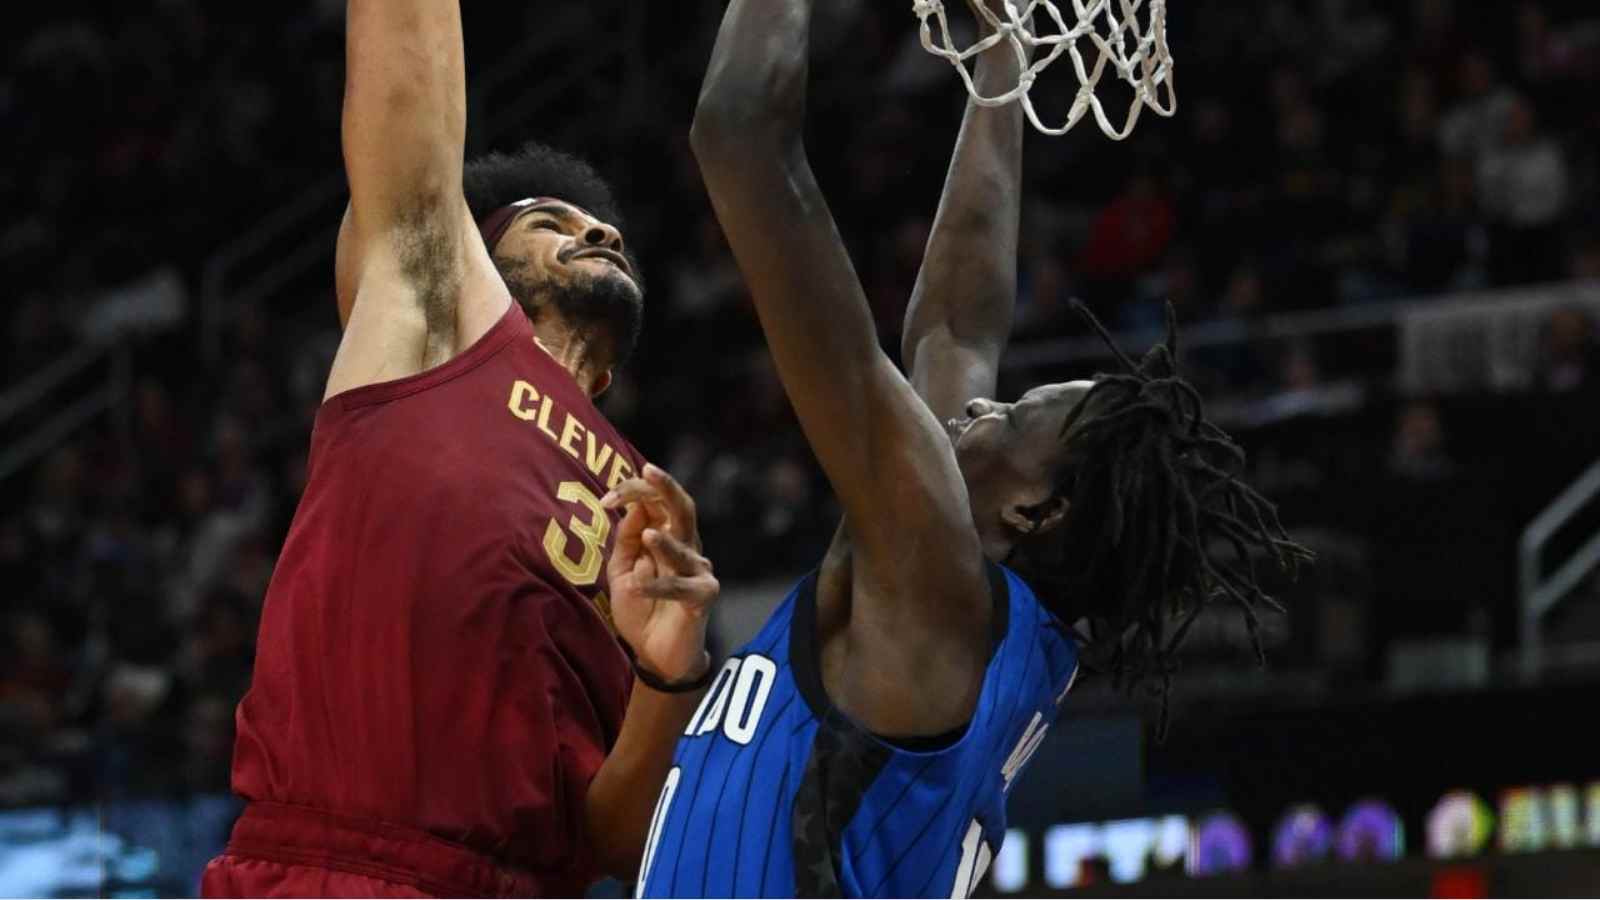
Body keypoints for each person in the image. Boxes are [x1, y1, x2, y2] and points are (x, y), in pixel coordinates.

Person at [635, 0, 1312, 895]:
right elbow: (956, 326)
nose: (981, 404)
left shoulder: (936, 588)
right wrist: (1005, 61)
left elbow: (737, 136)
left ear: (1037, 508)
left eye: (1014, 413)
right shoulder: (983, 606)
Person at [201, 2, 719, 896]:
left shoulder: (651, 511)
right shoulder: (433, 326)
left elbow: (615, 841)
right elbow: (406, 74)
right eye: (550, 220)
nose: (600, 231)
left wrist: (666, 676)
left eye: (602, 228)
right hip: (339, 869)